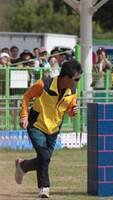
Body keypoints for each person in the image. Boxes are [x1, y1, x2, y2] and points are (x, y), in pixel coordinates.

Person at [15, 59, 83, 198]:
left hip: (54, 129)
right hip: (36, 125)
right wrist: (24, 116)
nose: (78, 81)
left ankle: (23, 166)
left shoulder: (73, 91)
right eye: (76, 79)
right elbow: (27, 96)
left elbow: (69, 110)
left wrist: (73, 111)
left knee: (44, 160)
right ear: (66, 77)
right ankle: (44, 188)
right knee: (44, 157)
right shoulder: (43, 84)